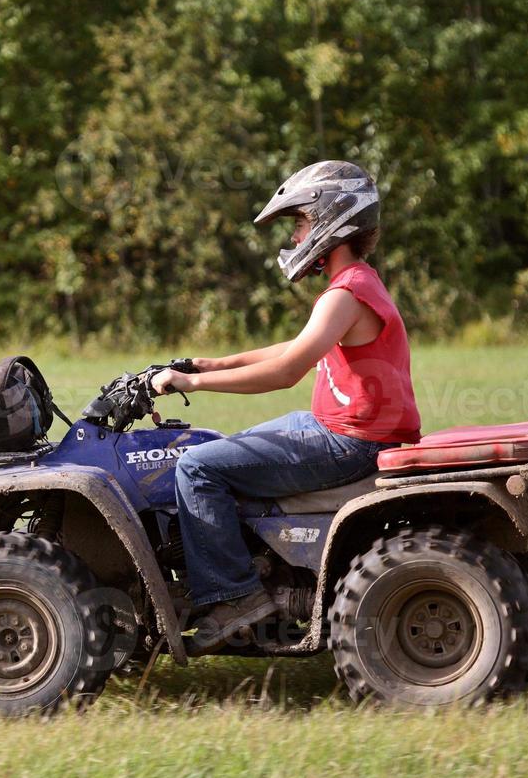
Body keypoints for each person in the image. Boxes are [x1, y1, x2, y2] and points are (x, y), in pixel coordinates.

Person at [150, 160, 422, 653]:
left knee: (195, 468)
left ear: (329, 222)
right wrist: (210, 363)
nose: (296, 238)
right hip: (340, 428)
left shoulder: (345, 294)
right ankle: (259, 562)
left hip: (349, 441)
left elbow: (285, 371)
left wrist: (190, 382)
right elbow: (290, 347)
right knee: (222, 448)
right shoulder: (356, 283)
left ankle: (236, 597)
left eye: (299, 224)